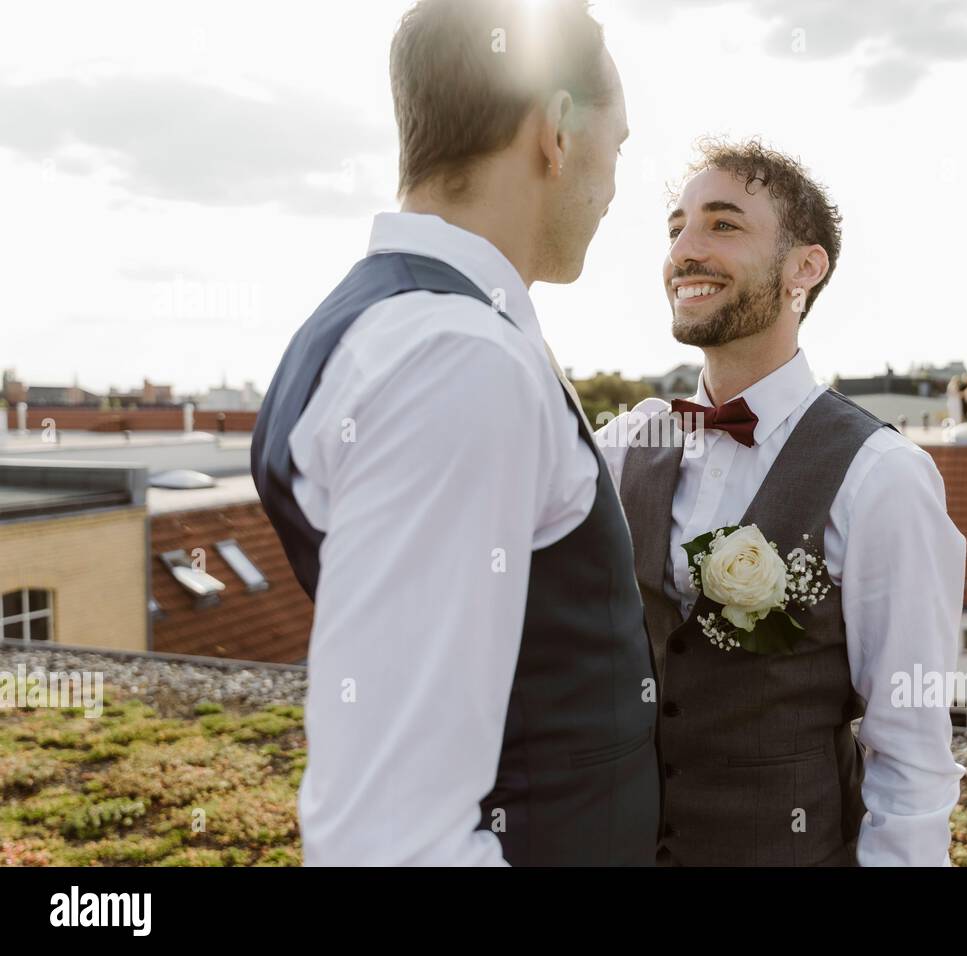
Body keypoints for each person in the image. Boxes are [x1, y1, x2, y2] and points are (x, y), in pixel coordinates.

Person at [250, 0, 658, 865]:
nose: (616, 188)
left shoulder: (396, 325)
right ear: (554, 129)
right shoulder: (456, 358)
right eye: (617, 146)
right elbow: (391, 839)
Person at [597, 139, 967, 866]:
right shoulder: (622, 446)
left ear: (805, 267)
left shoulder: (883, 477)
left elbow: (911, 752)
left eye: (723, 225)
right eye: (676, 229)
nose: (685, 250)